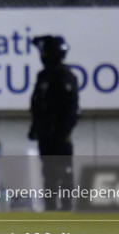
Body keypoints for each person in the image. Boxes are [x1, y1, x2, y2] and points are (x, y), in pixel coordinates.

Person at [28, 35, 80, 211]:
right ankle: (50, 207)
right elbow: (37, 105)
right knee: (48, 172)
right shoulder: (43, 76)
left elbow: (71, 109)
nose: (42, 55)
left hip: (60, 134)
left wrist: (63, 132)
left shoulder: (65, 77)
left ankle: (66, 207)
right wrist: (36, 127)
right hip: (45, 134)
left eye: (45, 52)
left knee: (63, 170)